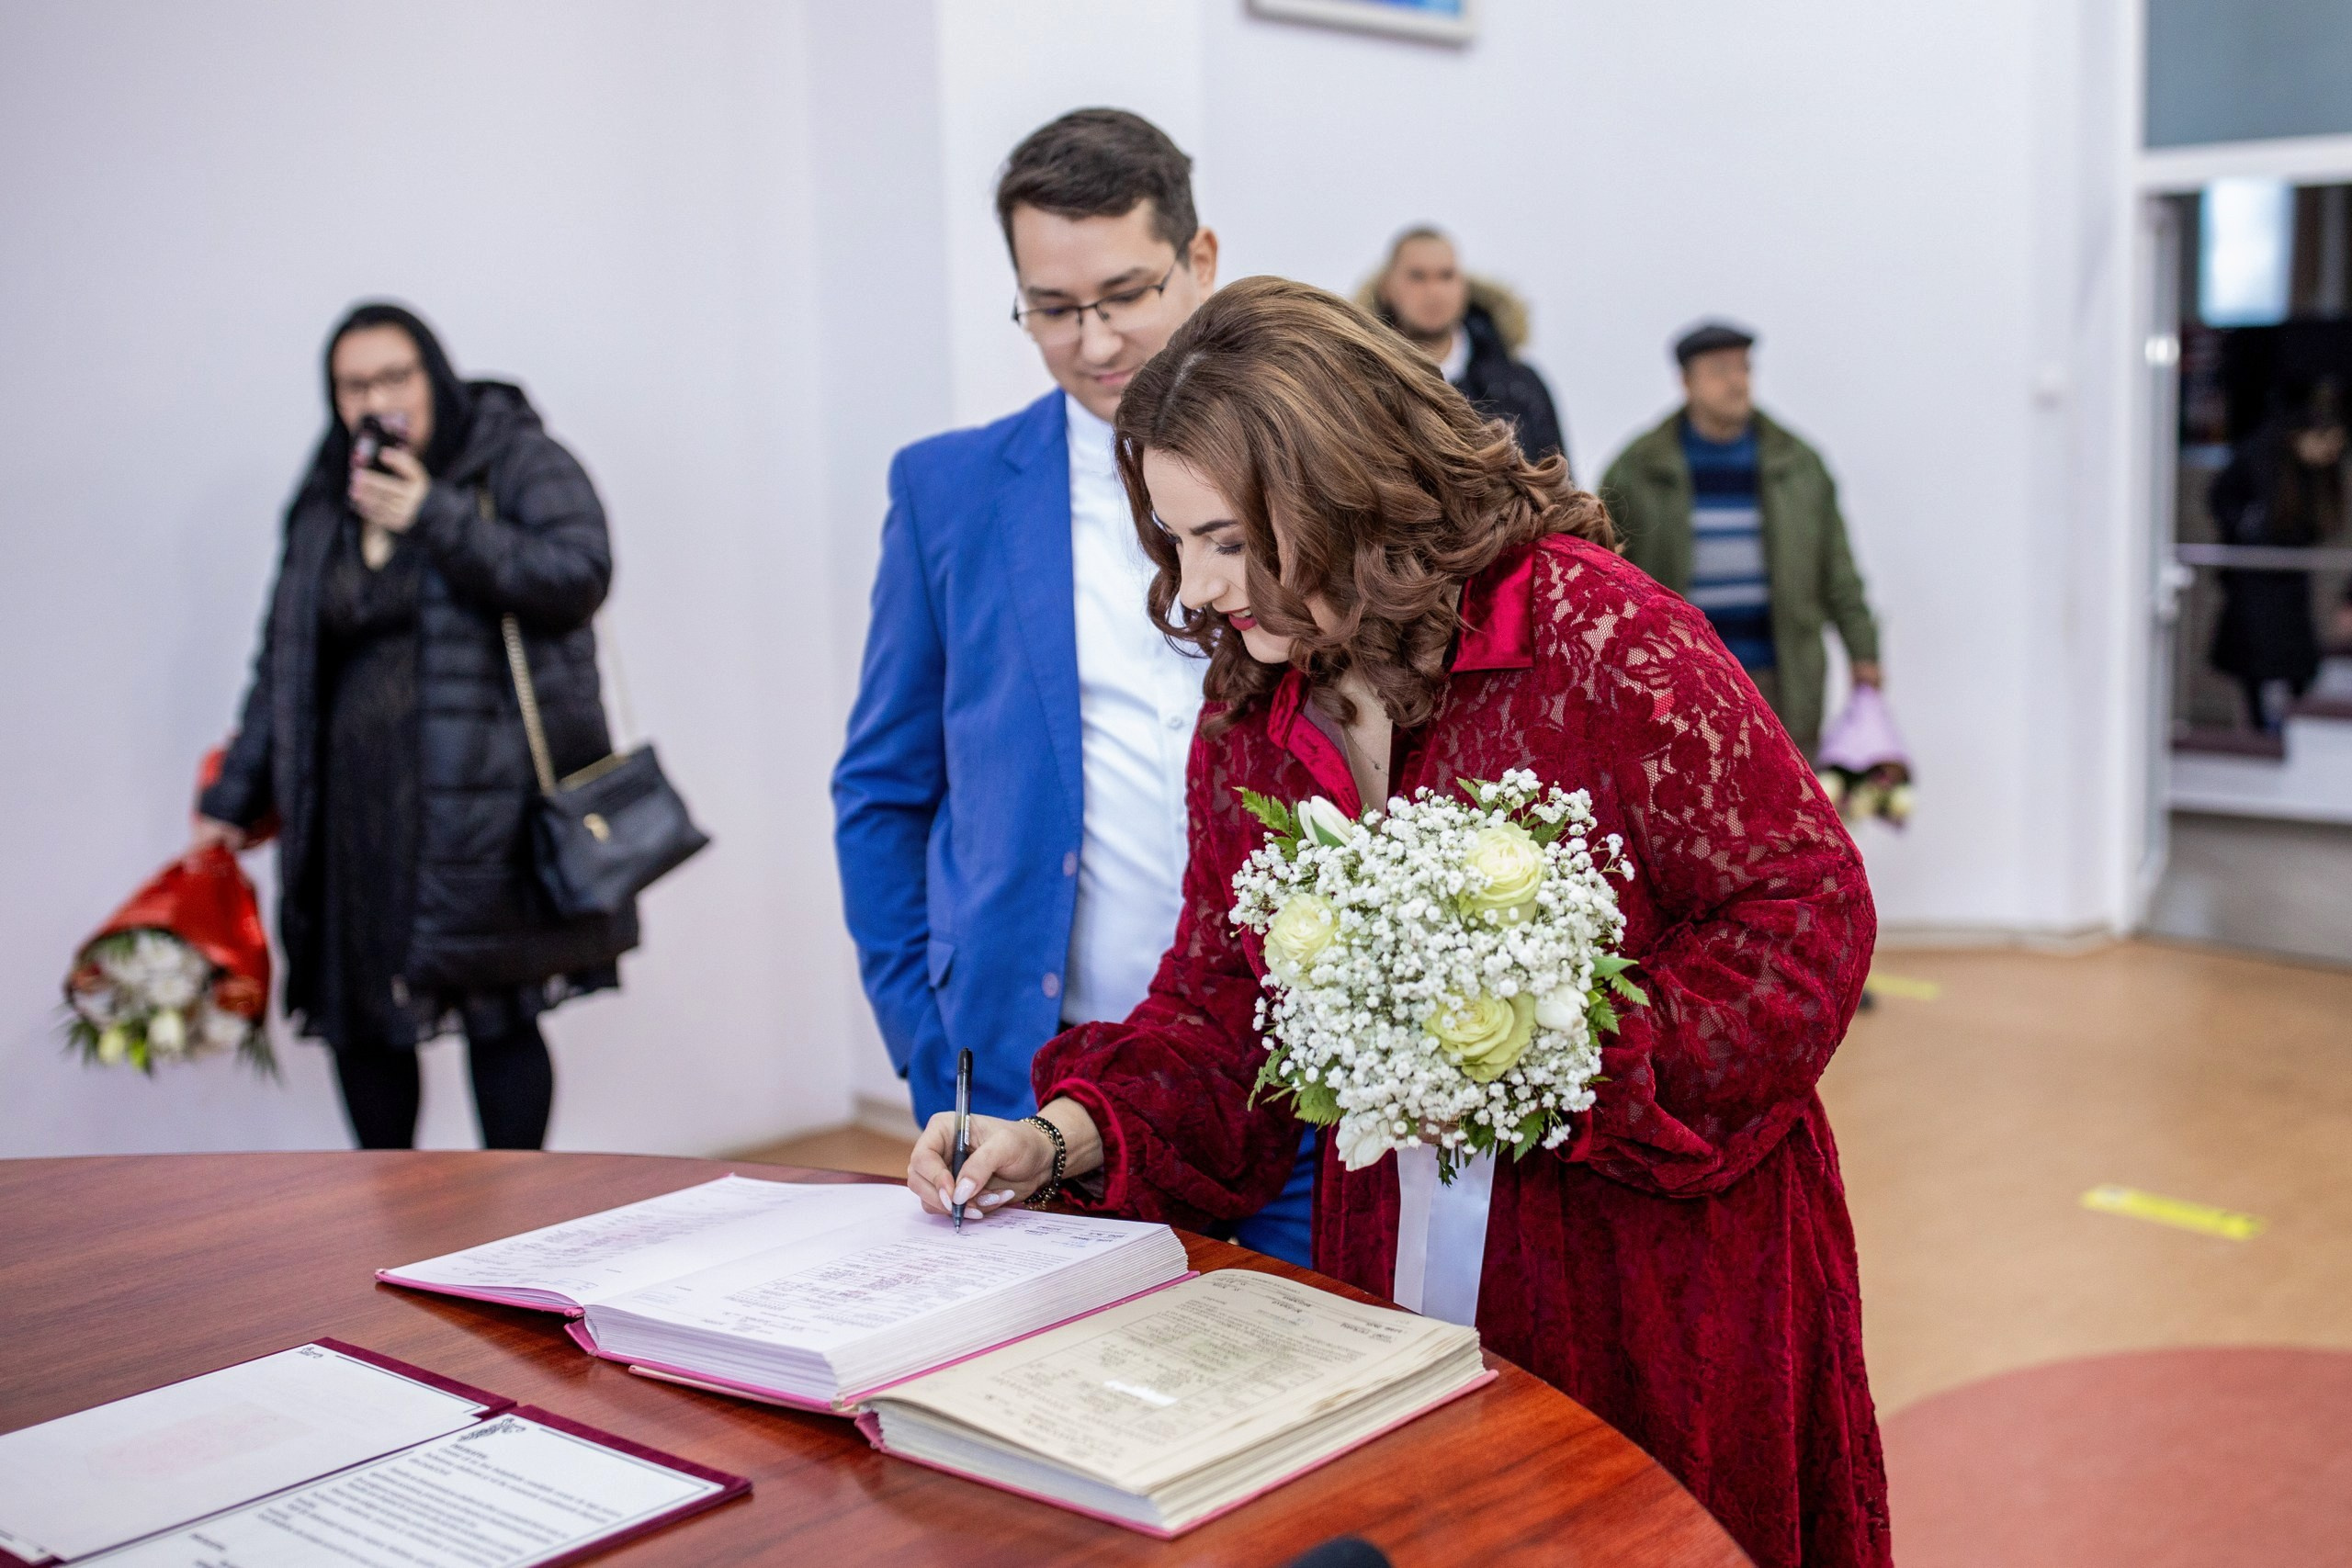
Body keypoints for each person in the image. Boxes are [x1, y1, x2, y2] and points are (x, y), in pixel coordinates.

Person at [910, 278, 1891, 1568]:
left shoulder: (1599, 636)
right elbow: (1220, 998)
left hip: (1652, 1267)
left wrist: (1548, 1054)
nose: (1199, 590)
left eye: (1223, 539)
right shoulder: (1253, 711)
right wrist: (1064, 1133)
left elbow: (1806, 909)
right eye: (1175, 545)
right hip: (1399, 1264)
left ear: (1332, 490)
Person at [831, 109, 1317, 1265]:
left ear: (1200, 262)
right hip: (1024, 1071)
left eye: (1123, 295)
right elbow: (883, 786)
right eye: (1052, 309)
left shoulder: (1308, 474)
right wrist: (922, 1026)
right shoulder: (948, 492)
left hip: (1280, 1065)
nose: (1093, 340)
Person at [194, 303, 633, 1150]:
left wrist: (435, 515)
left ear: (433, 373)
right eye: (353, 384)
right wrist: (232, 791)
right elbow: (280, 657)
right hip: (351, 824)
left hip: (479, 807)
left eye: (394, 376)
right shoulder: (326, 492)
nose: (376, 399)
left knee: (497, 1013)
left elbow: (579, 571)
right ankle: (397, 1226)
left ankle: (518, 1238)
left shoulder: (512, 458)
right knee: (365, 1022)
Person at [1600, 321, 1882, 759]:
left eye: (1744, 368)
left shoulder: (1797, 465)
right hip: (1682, 678)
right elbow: (1606, 579)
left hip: (1779, 676)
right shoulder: (1638, 470)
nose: (1737, 381)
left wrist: (1864, 653)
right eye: (1720, 370)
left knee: (1784, 816)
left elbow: (1838, 570)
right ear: (1687, 382)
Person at [1360, 225, 1567, 470]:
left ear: (1464, 287)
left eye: (1446, 276)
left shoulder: (1520, 384)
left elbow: (1561, 489)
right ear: (1387, 288)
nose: (1433, 291)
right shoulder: (1359, 384)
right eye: (1417, 276)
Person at [2209, 381, 2347, 734]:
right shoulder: (2262, 455)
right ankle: (2262, 727)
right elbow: (2221, 497)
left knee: (2296, 661)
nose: (2331, 451)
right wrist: (2246, 526)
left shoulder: (2309, 471)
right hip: (2256, 576)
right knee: (2258, 659)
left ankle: (2287, 724)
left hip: (2286, 576)